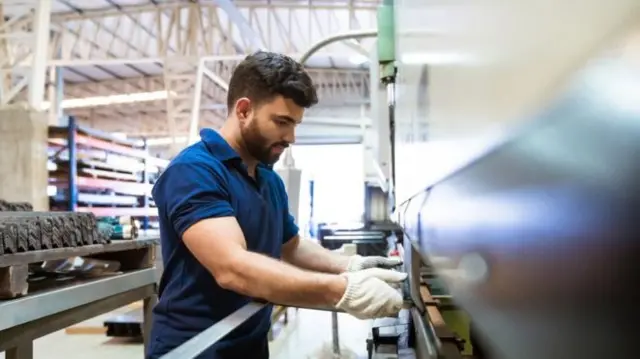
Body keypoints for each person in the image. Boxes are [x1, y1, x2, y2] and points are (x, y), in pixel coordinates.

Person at [147, 51, 407, 359]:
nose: (291, 137)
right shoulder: (195, 171)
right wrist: (343, 290)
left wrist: (350, 265)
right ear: (244, 110)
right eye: (282, 122)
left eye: (295, 124)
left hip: (249, 341)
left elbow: (292, 246)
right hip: (196, 347)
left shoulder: (268, 178)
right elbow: (232, 269)